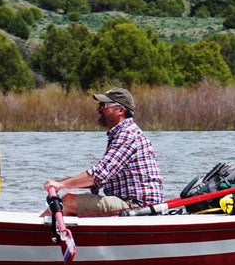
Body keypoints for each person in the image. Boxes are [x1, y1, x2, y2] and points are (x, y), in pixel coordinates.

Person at [44, 87, 164, 216]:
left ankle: (35, 232)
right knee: (70, 200)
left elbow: (100, 174)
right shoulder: (121, 134)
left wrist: (61, 184)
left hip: (137, 207)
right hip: (127, 203)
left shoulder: (128, 135)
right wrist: (62, 183)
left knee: (68, 201)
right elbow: (97, 180)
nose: (98, 109)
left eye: (103, 105)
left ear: (120, 110)